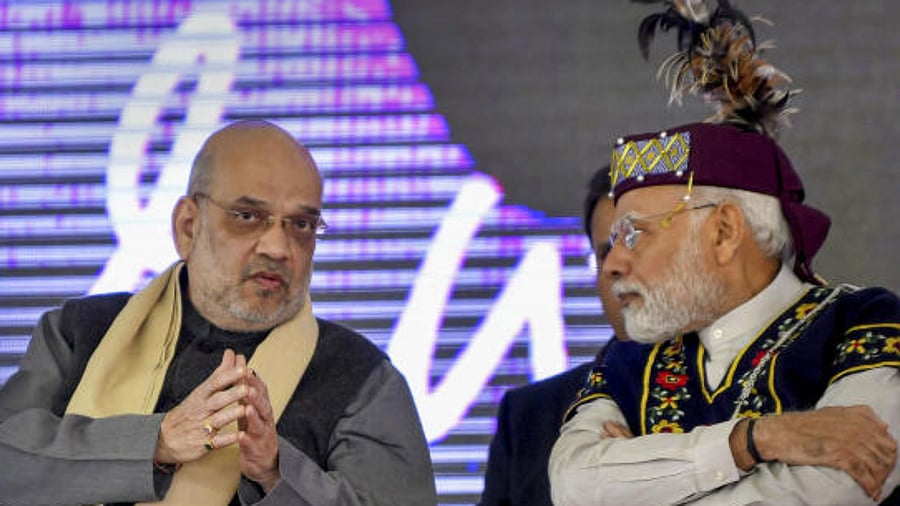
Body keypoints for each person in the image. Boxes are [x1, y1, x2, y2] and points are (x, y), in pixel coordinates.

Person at [549, 2, 899, 505]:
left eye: (635, 235)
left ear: (724, 231)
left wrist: (645, 481)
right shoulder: (633, 357)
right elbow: (574, 485)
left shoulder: (863, 323)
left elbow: (833, 487)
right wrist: (753, 441)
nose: (612, 265)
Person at [0, 120, 437, 505]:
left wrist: (276, 473)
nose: (278, 248)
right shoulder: (80, 332)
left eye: (301, 224)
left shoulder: (362, 378)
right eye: (248, 216)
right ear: (188, 226)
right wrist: (156, 443)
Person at [479, 166, 628, 506]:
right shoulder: (528, 417)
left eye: (636, 243)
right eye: (606, 252)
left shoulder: (737, 397)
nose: (618, 266)